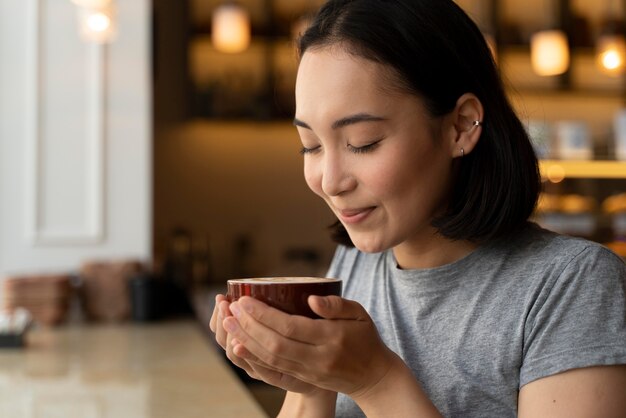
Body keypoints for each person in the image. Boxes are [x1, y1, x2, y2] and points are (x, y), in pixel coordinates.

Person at [209, 0, 626, 416]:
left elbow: (373, 383)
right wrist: (308, 379)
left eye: (363, 141)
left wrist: (376, 381)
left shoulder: (573, 286)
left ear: (461, 125)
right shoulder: (353, 265)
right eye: (311, 145)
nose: (330, 181)